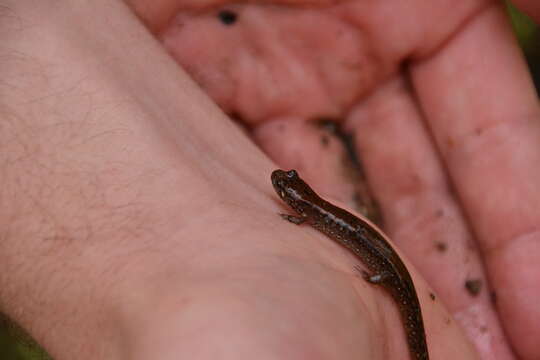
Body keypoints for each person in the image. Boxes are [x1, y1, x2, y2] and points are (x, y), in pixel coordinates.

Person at [1, 0, 539, 359]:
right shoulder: (308, 211)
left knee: (397, 292)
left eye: (287, 187)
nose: (283, 188)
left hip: (389, 278)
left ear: (295, 199)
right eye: (286, 187)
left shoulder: (306, 212)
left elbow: (313, 221)